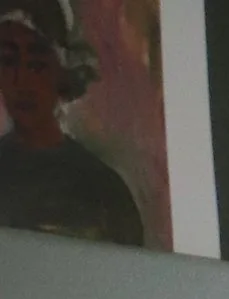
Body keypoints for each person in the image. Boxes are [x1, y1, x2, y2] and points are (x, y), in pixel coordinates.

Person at [0, 0, 145, 245]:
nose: (21, 80)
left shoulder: (103, 189)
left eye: (37, 64)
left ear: (63, 69)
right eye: (7, 61)